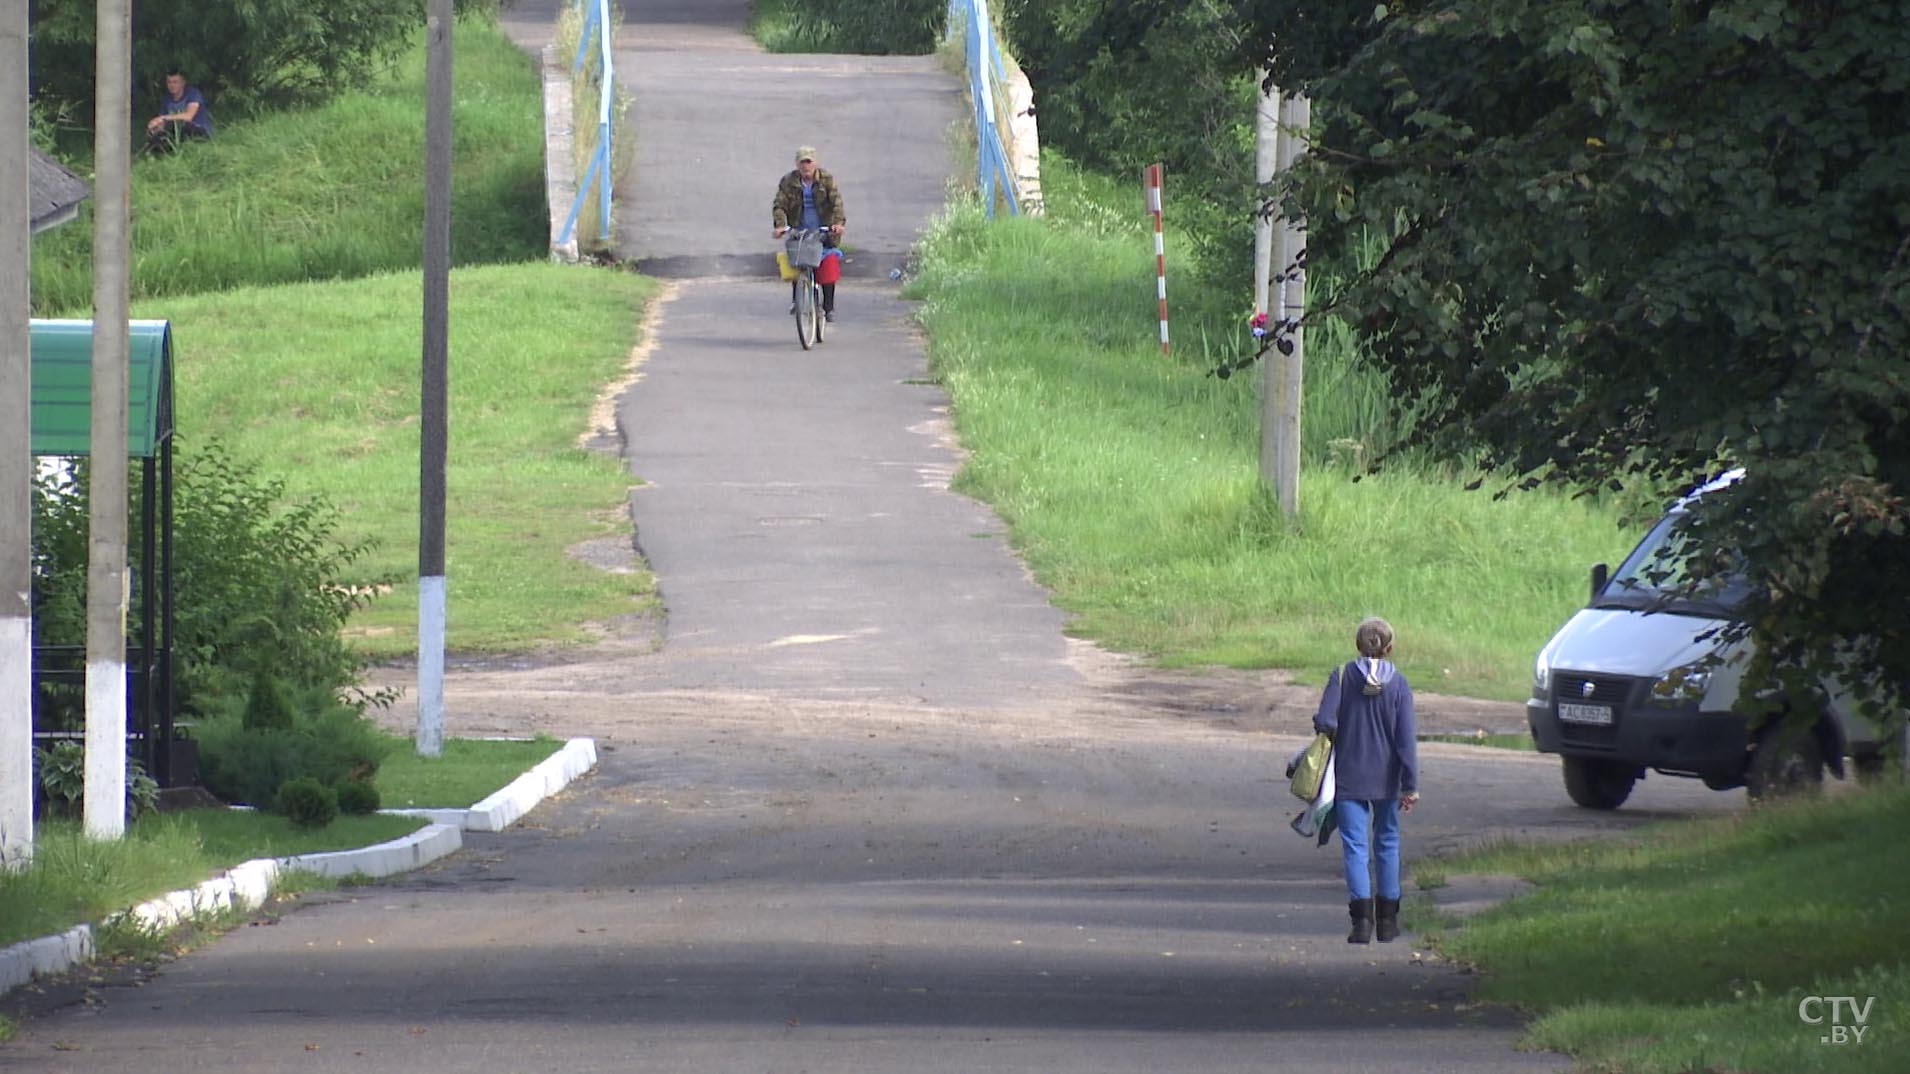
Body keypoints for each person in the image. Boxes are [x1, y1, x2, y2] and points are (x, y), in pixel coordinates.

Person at [1310, 616, 1419, 944]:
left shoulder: (1342, 676)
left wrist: (1331, 725)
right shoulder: (1399, 684)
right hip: (1387, 779)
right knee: (1387, 842)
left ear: (1357, 645)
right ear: (1390, 648)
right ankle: (1388, 923)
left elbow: (1326, 721)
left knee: (1355, 848)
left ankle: (1361, 925)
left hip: (1349, 777)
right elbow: (1406, 740)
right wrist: (1410, 784)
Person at [771, 146, 847, 322]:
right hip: (800, 228)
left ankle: (828, 307)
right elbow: (779, 205)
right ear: (797, 164)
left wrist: (837, 224)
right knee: (797, 260)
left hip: (823, 228)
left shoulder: (826, 179)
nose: (806, 166)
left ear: (815, 163)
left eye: (809, 162)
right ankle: (797, 300)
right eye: (802, 162)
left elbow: (837, 203)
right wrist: (781, 226)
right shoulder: (788, 181)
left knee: (827, 263)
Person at [144, 69, 214, 154]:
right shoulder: (167, 99)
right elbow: (163, 123)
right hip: (177, 132)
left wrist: (164, 117)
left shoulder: (193, 93)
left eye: (175, 82)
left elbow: (188, 116)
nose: (172, 85)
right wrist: (154, 127)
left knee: (185, 127)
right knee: (157, 135)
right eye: (169, 82)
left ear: (183, 83)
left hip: (198, 130)